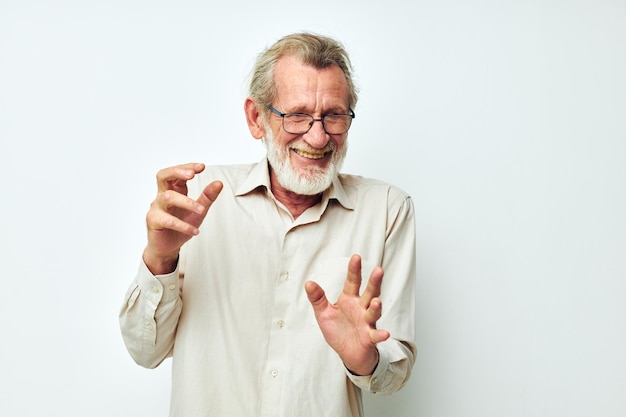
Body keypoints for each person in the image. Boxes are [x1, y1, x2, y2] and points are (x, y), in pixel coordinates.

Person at [119, 32, 417, 417]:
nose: (318, 136)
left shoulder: (388, 209)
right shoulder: (197, 200)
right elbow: (145, 351)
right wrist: (160, 259)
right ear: (256, 117)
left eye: (334, 116)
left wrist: (366, 359)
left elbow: (395, 372)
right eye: (296, 115)